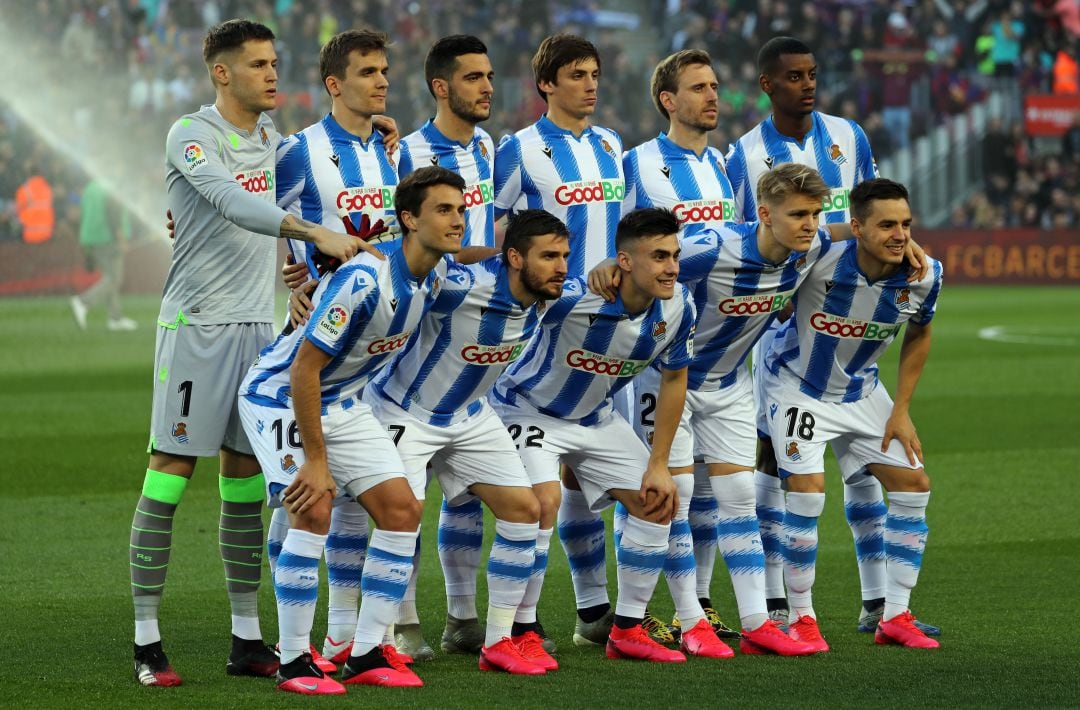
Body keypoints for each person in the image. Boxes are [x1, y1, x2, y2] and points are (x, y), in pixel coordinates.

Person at [128, 19, 369, 688]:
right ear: (223, 73)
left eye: (275, 62)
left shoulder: (272, 140)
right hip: (196, 329)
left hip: (258, 335)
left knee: (243, 487)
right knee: (170, 475)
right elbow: (232, 204)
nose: (272, 74)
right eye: (259, 64)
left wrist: (378, 137)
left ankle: (247, 639)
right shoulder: (192, 135)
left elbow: (324, 161)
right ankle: (147, 640)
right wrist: (308, 231)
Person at [238, 166, 466, 694]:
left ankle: (364, 654)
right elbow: (303, 370)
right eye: (443, 210)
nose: (457, 220)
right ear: (409, 220)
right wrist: (317, 462)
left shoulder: (432, 276)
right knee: (314, 506)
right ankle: (294, 661)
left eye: (460, 209)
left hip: (342, 400)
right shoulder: (364, 281)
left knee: (403, 509)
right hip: (280, 396)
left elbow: (479, 265)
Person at [725, 37, 908, 634]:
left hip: (847, 320)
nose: (807, 83)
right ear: (766, 84)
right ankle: (779, 602)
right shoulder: (745, 154)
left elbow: (874, 205)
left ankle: (877, 602)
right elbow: (742, 233)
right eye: (794, 76)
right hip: (781, 332)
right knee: (777, 470)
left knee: (864, 473)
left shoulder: (848, 137)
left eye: (812, 73)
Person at [491, 208, 705, 664]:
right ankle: (521, 628)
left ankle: (626, 629)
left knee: (657, 501)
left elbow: (674, 380)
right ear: (624, 262)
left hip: (598, 419)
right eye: (659, 256)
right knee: (542, 503)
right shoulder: (572, 297)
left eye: (675, 255)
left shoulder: (680, 305)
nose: (671, 267)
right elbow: (511, 282)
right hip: (530, 411)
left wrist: (660, 462)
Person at [363, 209, 570, 675]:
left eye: (565, 256)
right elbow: (398, 273)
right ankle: (375, 642)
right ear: (514, 258)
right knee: (397, 520)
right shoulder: (459, 286)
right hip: (405, 412)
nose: (562, 267)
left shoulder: (549, 295)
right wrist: (310, 285)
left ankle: (499, 641)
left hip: (472, 416)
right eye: (550, 256)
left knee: (526, 510)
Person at [265, 28, 401, 673]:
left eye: (384, 71)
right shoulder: (298, 152)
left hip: (373, 353)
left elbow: (394, 234)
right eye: (368, 72)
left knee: (356, 501)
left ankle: (345, 636)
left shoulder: (386, 153)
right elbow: (253, 218)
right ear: (334, 84)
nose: (380, 81)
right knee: (305, 499)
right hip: (312, 345)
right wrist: (285, 280)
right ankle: (289, 641)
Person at [760, 178, 942, 651]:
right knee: (807, 494)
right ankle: (801, 618)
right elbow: (785, 245)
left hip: (863, 392)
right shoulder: (818, 258)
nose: (900, 235)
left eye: (906, 224)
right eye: (886, 225)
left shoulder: (923, 275)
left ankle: (896, 616)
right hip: (799, 387)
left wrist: (901, 411)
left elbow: (920, 333)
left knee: (914, 485)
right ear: (857, 227)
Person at [493, 33, 627, 646]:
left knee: (585, 478)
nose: (591, 84)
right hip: (540, 342)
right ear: (546, 84)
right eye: (577, 74)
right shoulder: (517, 149)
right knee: (527, 488)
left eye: (595, 73)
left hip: (608, 344)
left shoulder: (609, 145)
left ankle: (595, 609)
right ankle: (505, 619)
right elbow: (492, 235)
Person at [620, 48, 739, 641]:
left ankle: (698, 604)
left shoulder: (721, 165)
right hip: (653, 348)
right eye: (698, 87)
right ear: (668, 101)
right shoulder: (636, 165)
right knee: (669, 484)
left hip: (713, 350)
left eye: (715, 85)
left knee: (712, 491)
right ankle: (640, 612)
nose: (713, 96)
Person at [393, 34, 498, 659]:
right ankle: (401, 619)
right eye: (474, 78)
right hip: (417, 340)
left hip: (483, 345)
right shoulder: (404, 153)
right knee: (406, 489)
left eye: (489, 76)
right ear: (441, 87)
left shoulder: (489, 147)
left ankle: (462, 615)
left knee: (468, 487)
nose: (487, 87)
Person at [70, 177, 137, 331]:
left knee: (110, 278)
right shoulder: (112, 188)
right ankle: (83, 302)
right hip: (107, 239)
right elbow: (113, 215)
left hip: (91, 238)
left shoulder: (90, 188)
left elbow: (84, 213)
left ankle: (115, 318)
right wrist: (121, 239)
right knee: (114, 279)